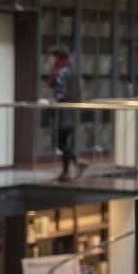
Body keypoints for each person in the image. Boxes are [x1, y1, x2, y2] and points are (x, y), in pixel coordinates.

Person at [42, 45, 86, 181]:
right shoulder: (72, 71)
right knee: (65, 142)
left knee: (61, 143)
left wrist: (47, 102)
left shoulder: (60, 72)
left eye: (51, 56)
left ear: (57, 57)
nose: (49, 60)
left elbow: (60, 94)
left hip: (64, 113)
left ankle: (78, 161)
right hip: (72, 112)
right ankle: (65, 172)